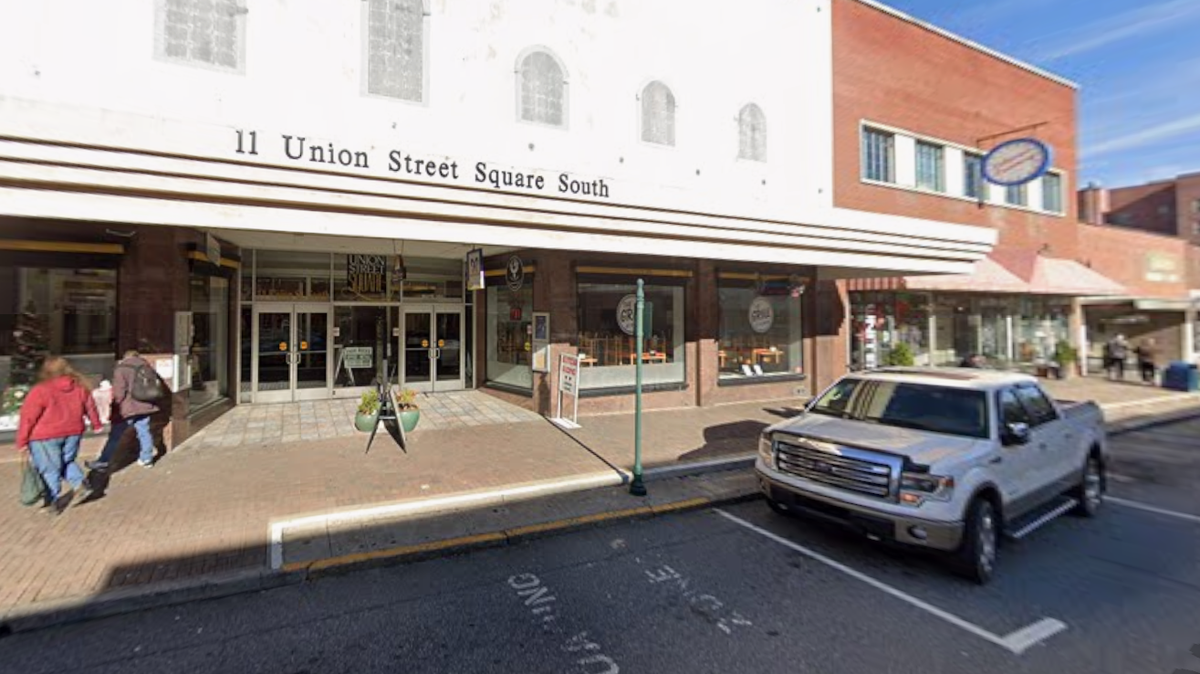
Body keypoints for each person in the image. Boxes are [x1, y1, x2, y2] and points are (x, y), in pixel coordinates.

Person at [16, 357, 103, 514]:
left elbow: (28, 417)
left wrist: (22, 440)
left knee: (50, 468)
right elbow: (90, 407)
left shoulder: (40, 390)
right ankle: (80, 483)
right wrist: (96, 424)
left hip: (45, 435)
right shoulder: (79, 387)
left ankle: (52, 501)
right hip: (73, 431)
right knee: (66, 461)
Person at [87, 350, 160, 471]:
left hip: (127, 408)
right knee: (144, 432)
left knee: (115, 436)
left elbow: (119, 393)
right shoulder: (146, 366)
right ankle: (147, 459)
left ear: (124, 358)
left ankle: (104, 461)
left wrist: (114, 405)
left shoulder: (122, 368)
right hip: (146, 405)